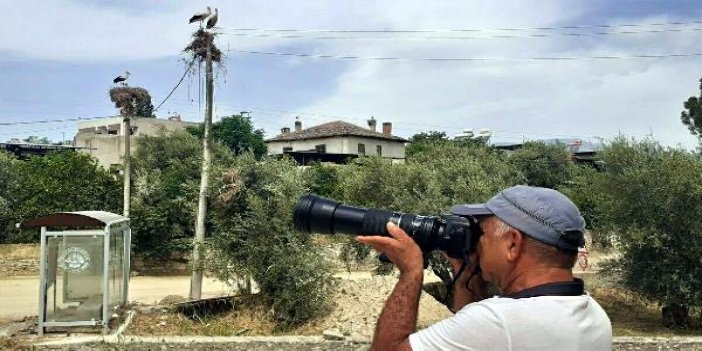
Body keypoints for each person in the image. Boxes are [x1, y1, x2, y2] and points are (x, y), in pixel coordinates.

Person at [357, 185, 612, 351]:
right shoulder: (595, 316)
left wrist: (411, 271)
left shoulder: (499, 321)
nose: (476, 241)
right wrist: (466, 277)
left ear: (513, 243)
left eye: (482, 233)